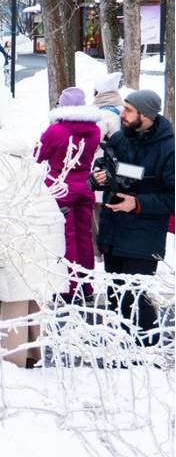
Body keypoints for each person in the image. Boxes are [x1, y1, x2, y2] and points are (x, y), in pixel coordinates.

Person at [0, 118, 66, 368]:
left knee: (13, 305)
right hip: (44, 238)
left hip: (18, 244)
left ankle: (13, 365)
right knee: (33, 300)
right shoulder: (23, 160)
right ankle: (34, 357)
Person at [92, 89, 175, 346]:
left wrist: (136, 203)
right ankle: (120, 352)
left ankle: (146, 352)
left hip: (143, 239)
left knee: (136, 300)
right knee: (115, 296)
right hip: (113, 233)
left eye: (128, 110)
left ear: (146, 115)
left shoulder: (169, 148)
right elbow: (101, 169)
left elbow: (172, 197)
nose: (122, 114)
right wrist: (96, 179)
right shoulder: (119, 138)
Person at [36, 87, 102, 300]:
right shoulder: (95, 130)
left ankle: (70, 288)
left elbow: (38, 154)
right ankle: (87, 287)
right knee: (84, 237)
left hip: (60, 187)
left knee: (67, 238)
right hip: (85, 185)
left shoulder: (56, 131)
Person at [90, 72, 123, 256]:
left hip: (103, 170)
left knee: (100, 212)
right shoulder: (123, 108)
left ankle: (100, 251)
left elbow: (92, 144)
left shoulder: (102, 115)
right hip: (123, 170)